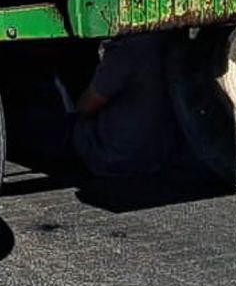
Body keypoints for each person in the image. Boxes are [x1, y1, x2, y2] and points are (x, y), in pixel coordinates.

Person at [71, 33, 181, 179]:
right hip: (160, 154)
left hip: (120, 157)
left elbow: (87, 106)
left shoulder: (126, 50)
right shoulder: (168, 41)